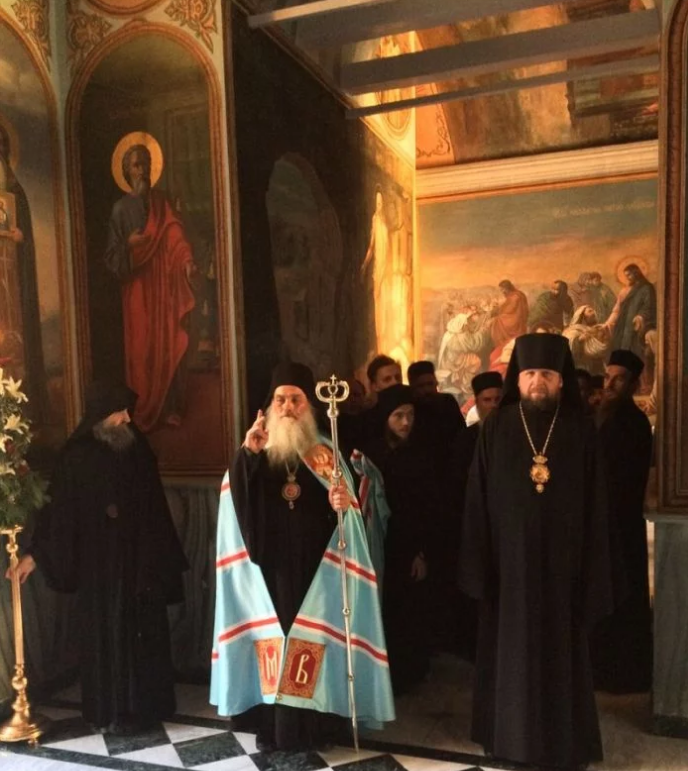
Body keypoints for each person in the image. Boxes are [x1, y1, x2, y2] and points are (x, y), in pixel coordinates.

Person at [211, 362, 393, 750]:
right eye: (281, 400)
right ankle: (273, 728)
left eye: (296, 399)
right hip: (270, 569)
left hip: (316, 568)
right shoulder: (255, 452)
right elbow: (238, 507)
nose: (288, 407)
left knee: (316, 644)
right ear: (269, 406)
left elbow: (347, 520)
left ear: (309, 405)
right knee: (274, 644)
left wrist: (340, 505)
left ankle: (316, 727)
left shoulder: (324, 453)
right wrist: (248, 457)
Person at [460, 333, 615, 771]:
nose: (537, 382)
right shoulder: (496, 427)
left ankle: (565, 741)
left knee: (561, 652)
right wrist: (479, 563)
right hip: (509, 571)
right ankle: (509, 740)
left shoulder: (581, 430)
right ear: (518, 379)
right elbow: (477, 498)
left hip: (564, 570)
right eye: (529, 374)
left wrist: (593, 566)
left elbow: (596, 505)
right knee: (511, 653)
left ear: (561, 379)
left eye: (547, 374)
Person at [7, 381, 188, 732]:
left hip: (139, 563)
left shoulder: (137, 446)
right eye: (120, 412)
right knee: (105, 635)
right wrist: (36, 555)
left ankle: (148, 708)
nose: (127, 419)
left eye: (127, 412)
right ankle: (109, 712)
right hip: (99, 568)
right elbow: (60, 513)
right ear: (102, 414)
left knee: (143, 633)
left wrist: (158, 557)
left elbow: (155, 506)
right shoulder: (76, 455)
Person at [104, 143, 196, 432]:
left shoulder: (161, 202)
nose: (142, 170)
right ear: (126, 171)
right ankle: (143, 409)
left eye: (145, 164)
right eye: (136, 165)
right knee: (142, 351)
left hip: (162, 284)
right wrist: (128, 246)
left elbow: (174, 233)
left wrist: (186, 260)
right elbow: (111, 256)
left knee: (166, 344)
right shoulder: (120, 209)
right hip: (136, 289)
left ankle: (170, 408)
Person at [362, 385, 441, 691]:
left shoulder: (423, 454)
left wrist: (422, 552)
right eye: (398, 416)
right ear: (385, 417)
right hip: (378, 546)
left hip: (410, 549)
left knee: (410, 612)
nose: (406, 422)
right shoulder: (370, 455)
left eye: (410, 415)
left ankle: (409, 675)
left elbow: (429, 508)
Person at [590, 349, 653, 693]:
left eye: (619, 379)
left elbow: (622, 479)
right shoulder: (603, 415)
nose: (611, 384)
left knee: (623, 597)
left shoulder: (633, 423)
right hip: (604, 524)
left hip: (621, 524)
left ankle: (623, 675)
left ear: (633, 385)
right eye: (608, 377)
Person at [0, 124, 48, 424]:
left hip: (13, 281)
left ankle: (25, 412)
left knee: (16, 339)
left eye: (2, 146)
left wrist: (20, 238)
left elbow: (26, 239)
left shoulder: (15, 192)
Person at [608, 263, 656, 359]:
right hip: (624, 322)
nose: (627, 278)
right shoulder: (629, 289)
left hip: (637, 324)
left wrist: (640, 317)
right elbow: (620, 308)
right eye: (626, 275)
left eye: (629, 275)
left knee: (633, 348)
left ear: (636, 273)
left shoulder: (647, 288)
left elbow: (649, 306)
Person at [563, 305, 610, 375]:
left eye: (593, 310)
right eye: (590, 311)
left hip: (596, 365)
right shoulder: (573, 330)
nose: (593, 312)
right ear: (582, 316)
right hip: (580, 366)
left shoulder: (597, 329)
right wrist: (579, 340)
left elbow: (602, 347)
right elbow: (569, 346)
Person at [491, 280, 529, 349]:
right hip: (517, 318)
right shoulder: (517, 294)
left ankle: (502, 344)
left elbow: (509, 309)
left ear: (507, 288)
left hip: (516, 320)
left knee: (497, 321)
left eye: (502, 289)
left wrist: (499, 310)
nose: (502, 292)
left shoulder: (515, 296)